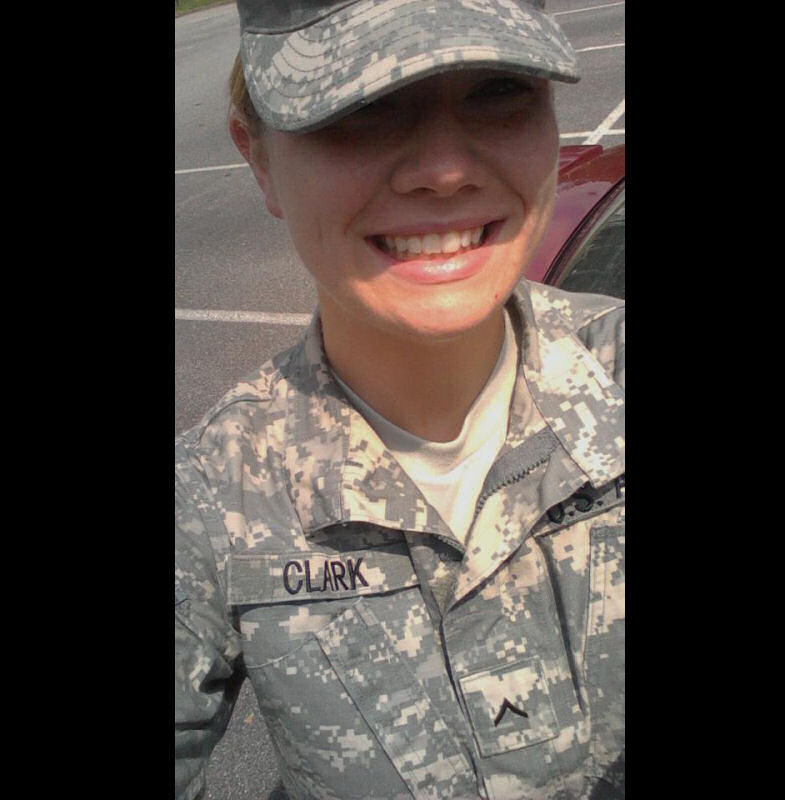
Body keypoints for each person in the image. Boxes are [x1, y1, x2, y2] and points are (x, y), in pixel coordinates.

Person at [175, 1, 625, 798]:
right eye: (361, 109)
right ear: (259, 158)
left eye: (498, 90)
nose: (444, 170)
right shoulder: (210, 497)